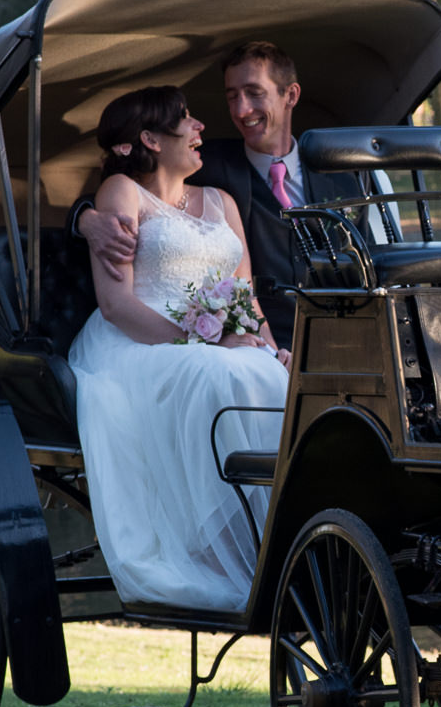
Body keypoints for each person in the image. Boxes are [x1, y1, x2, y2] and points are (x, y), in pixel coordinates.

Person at [66, 85, 288, 613]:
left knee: (276, 380)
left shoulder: (222, 202)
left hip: (213, 340)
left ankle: (284, 540)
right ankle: (218, 553)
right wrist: (207, 340)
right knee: (219, 375)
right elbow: (117, 304)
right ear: (149, 138)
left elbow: (245, 298)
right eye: (185, 120)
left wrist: (271, 349)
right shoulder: (121, 193)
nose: (199, 128)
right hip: (137, 343)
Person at [75, 40, 395, 360]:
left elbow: (368, 262)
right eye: (232, 97)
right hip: (262, 340)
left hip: (343, 337)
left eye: (254, 93)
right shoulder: (208, 165)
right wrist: (84, 219)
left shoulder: (344, 174)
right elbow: (130, 192)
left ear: (290, 95)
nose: (241, 110)